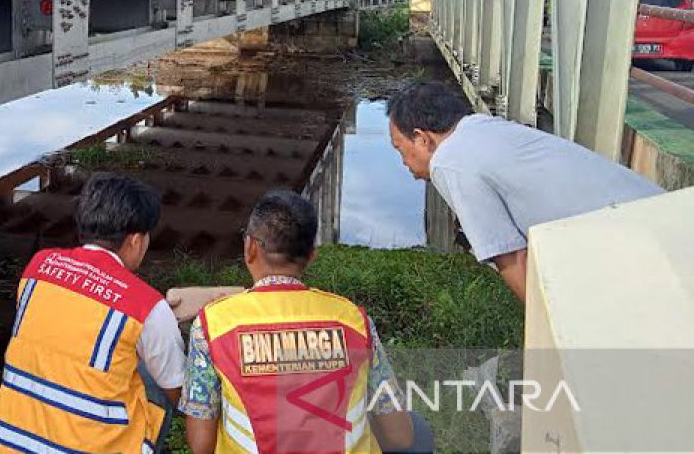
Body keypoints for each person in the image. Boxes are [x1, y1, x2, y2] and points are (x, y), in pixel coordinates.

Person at [181, 191, 429, 453]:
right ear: (311, 255)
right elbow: (400, 436)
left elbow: (201, 444)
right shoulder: (353, 321)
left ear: (250, 247)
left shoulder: (214, 324)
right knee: (418, 431)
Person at [387, 81, 663, 301]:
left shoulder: (449, 163)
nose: (403, 163)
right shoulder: (482, 128)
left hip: (648, 254)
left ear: (422, 139)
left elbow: (515, 260)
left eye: (400, 149)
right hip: (663, 215)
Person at [0, 173, 186, 454]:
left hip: (2, 444)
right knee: (154, 376)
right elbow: (179, 393)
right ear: (136, 240)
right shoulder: (146, 305)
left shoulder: (38, 268)